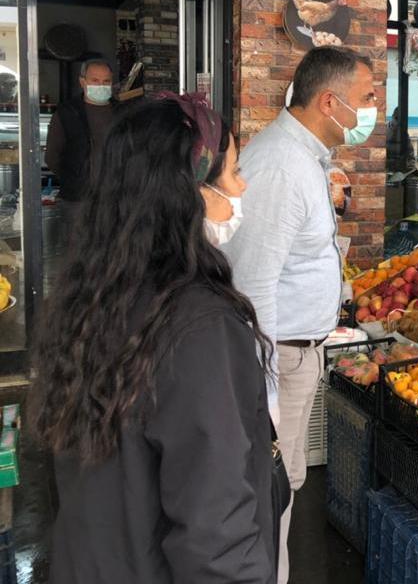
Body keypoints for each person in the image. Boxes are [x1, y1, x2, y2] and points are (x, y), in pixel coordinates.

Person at [29, 95, 277, 583]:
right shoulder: (199, 324)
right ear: (189, 191)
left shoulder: (95, 293)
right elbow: (215, 532)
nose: (242, 186)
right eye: (232, 172)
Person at [222, 45, 377, 583]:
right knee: (271, 493)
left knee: (282, 485)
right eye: (366, 98)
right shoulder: (282, 167)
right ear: (330, 101)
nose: (372, 111)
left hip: (295, 353)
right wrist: (263, 387)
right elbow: (251, 285)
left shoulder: (307, 157)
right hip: (279, 358)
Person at [44, 58, 117, 221]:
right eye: (95, 80)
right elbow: (52, 157)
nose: (101, 85)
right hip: (77, 199)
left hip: (115, 197)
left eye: (106, 81)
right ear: (82, 82)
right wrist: (73, 178)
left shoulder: (122, 112)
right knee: (78, 237)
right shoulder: (67, 113)